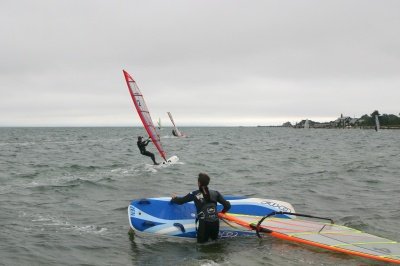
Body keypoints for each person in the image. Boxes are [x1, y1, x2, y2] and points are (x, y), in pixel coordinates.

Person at [170, 173, 231, 243]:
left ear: (199, 183)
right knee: (214, 243)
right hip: (215, 223)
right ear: (208, 183)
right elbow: (227, 206)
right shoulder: (216, 193)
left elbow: (181, 201)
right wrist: (221, 213)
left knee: (201, 246)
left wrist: (174, 199)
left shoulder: (194, 194)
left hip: (204, 225)